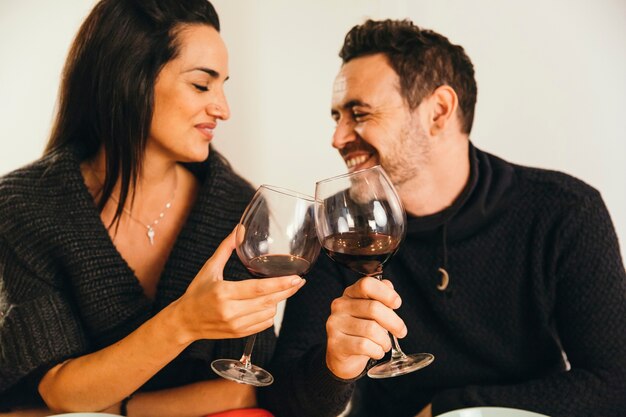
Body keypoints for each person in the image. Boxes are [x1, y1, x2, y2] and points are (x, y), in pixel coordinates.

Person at [259, 19, 626, 417]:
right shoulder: (337, 226)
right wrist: (334, 368)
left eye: (359, 113)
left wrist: (450, 410)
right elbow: (286, 402)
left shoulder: (563, 211)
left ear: (438, 111)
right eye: (337, 117)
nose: (338, 137)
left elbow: (614, 383)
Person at [0, 0, 305, 415]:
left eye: (223, 85)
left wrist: (121, 407)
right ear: (129, 79)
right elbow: (57, 391)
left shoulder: (238, 208)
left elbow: (239, 391)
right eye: (202, 85)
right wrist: (183, 322)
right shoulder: (25, 208)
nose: (224, 109)